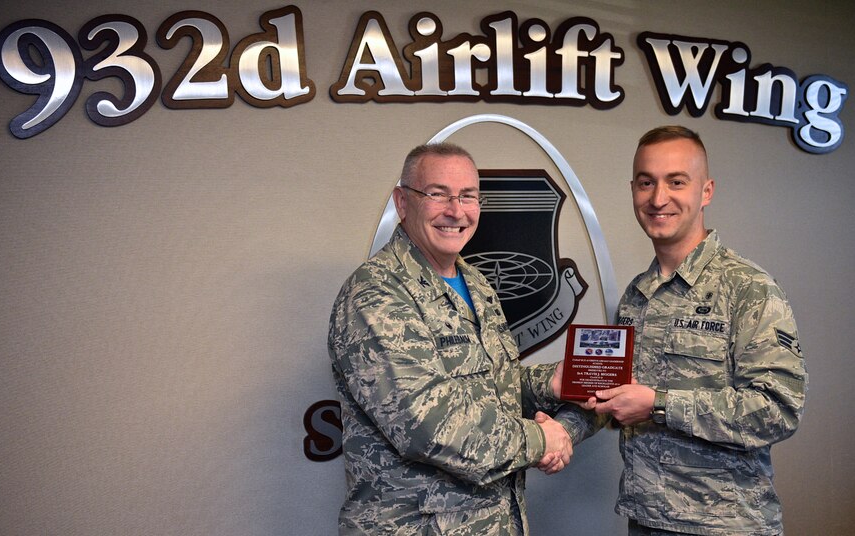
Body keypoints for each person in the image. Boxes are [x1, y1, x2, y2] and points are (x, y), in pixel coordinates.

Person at [555, 126, 807, 535]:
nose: (658, 198)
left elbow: (778, 411)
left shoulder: (748, 289)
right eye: (645, 183)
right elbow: (613, 391)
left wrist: (659, 405)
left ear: (706, 191)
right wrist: (560, 430)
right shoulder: (638, 297)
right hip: (647, 521)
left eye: (676, 182)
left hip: (725, 526)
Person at [328, 143, 572, 535]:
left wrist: (551, 384)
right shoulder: (375, 294)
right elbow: (429, 425)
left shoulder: (475, 283)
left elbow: (488, 390)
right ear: (403, 202)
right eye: (437, 194)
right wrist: (540, 440)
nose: (455, 211)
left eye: (468, 196)